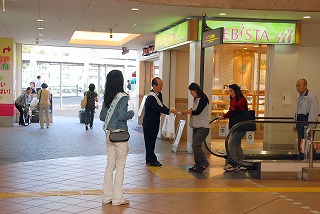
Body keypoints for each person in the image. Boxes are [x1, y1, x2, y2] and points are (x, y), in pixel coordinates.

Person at [100, 70, 134, 206]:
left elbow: (102, 117)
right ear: (120, 81)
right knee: (120, 166)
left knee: (109, 166)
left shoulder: (107, 97)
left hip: (109, 135)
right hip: (120, 135)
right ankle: (117, 198)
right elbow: (121, 116)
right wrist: (131, 113)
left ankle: (107, 197)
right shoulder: (123, 97)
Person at [143, 77, 178, 166]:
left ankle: (149, 159)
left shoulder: (159, 95)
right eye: (160, 85)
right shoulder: (151, 97)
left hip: (155, 122)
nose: (162, 86)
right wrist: (169, 110)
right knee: (149, 141)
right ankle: (152, 159)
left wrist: (169, 110)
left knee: (152, 140)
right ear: (154, 86)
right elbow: (157, 107)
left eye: (162, 84)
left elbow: (161, 105)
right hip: (149, 123)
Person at [179, 83, 210, 173]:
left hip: (203, 127)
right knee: (196, 146)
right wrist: (188, 111)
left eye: (191, 91)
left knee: (195, 145)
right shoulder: (196, 99)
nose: (191, 93)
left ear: (196, 90)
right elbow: (194, 109)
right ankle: (198, 165)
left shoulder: (204, 99)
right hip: (196, 126)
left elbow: (197, 112)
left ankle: (204, 162)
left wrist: (188, 111)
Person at [218, 84, 248, 172]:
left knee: (231, 143)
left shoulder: (241, 100)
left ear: (236, 91)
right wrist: (223, 116)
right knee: (236, 144)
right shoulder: (235, 100)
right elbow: (231, 111)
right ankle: (241, 162)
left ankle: (232, 163)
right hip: (235, 125)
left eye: (231, 91)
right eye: (229, 91)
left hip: (241, 126)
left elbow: (234, 106)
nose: (230, 93)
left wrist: (234, 97)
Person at [293, 79, 319, 160]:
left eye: (299, 85)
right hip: (299, 121)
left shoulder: (311, 97)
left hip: (307, 122)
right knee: (301, 141)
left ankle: (311, 157)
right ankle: (302, 156)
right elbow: (296, 111)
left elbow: (314, 113)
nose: (297, 87)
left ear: (305, 86)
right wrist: (295, 124)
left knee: (307, 141)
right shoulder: (298, 97)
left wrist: (311, 127)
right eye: (296, 85)